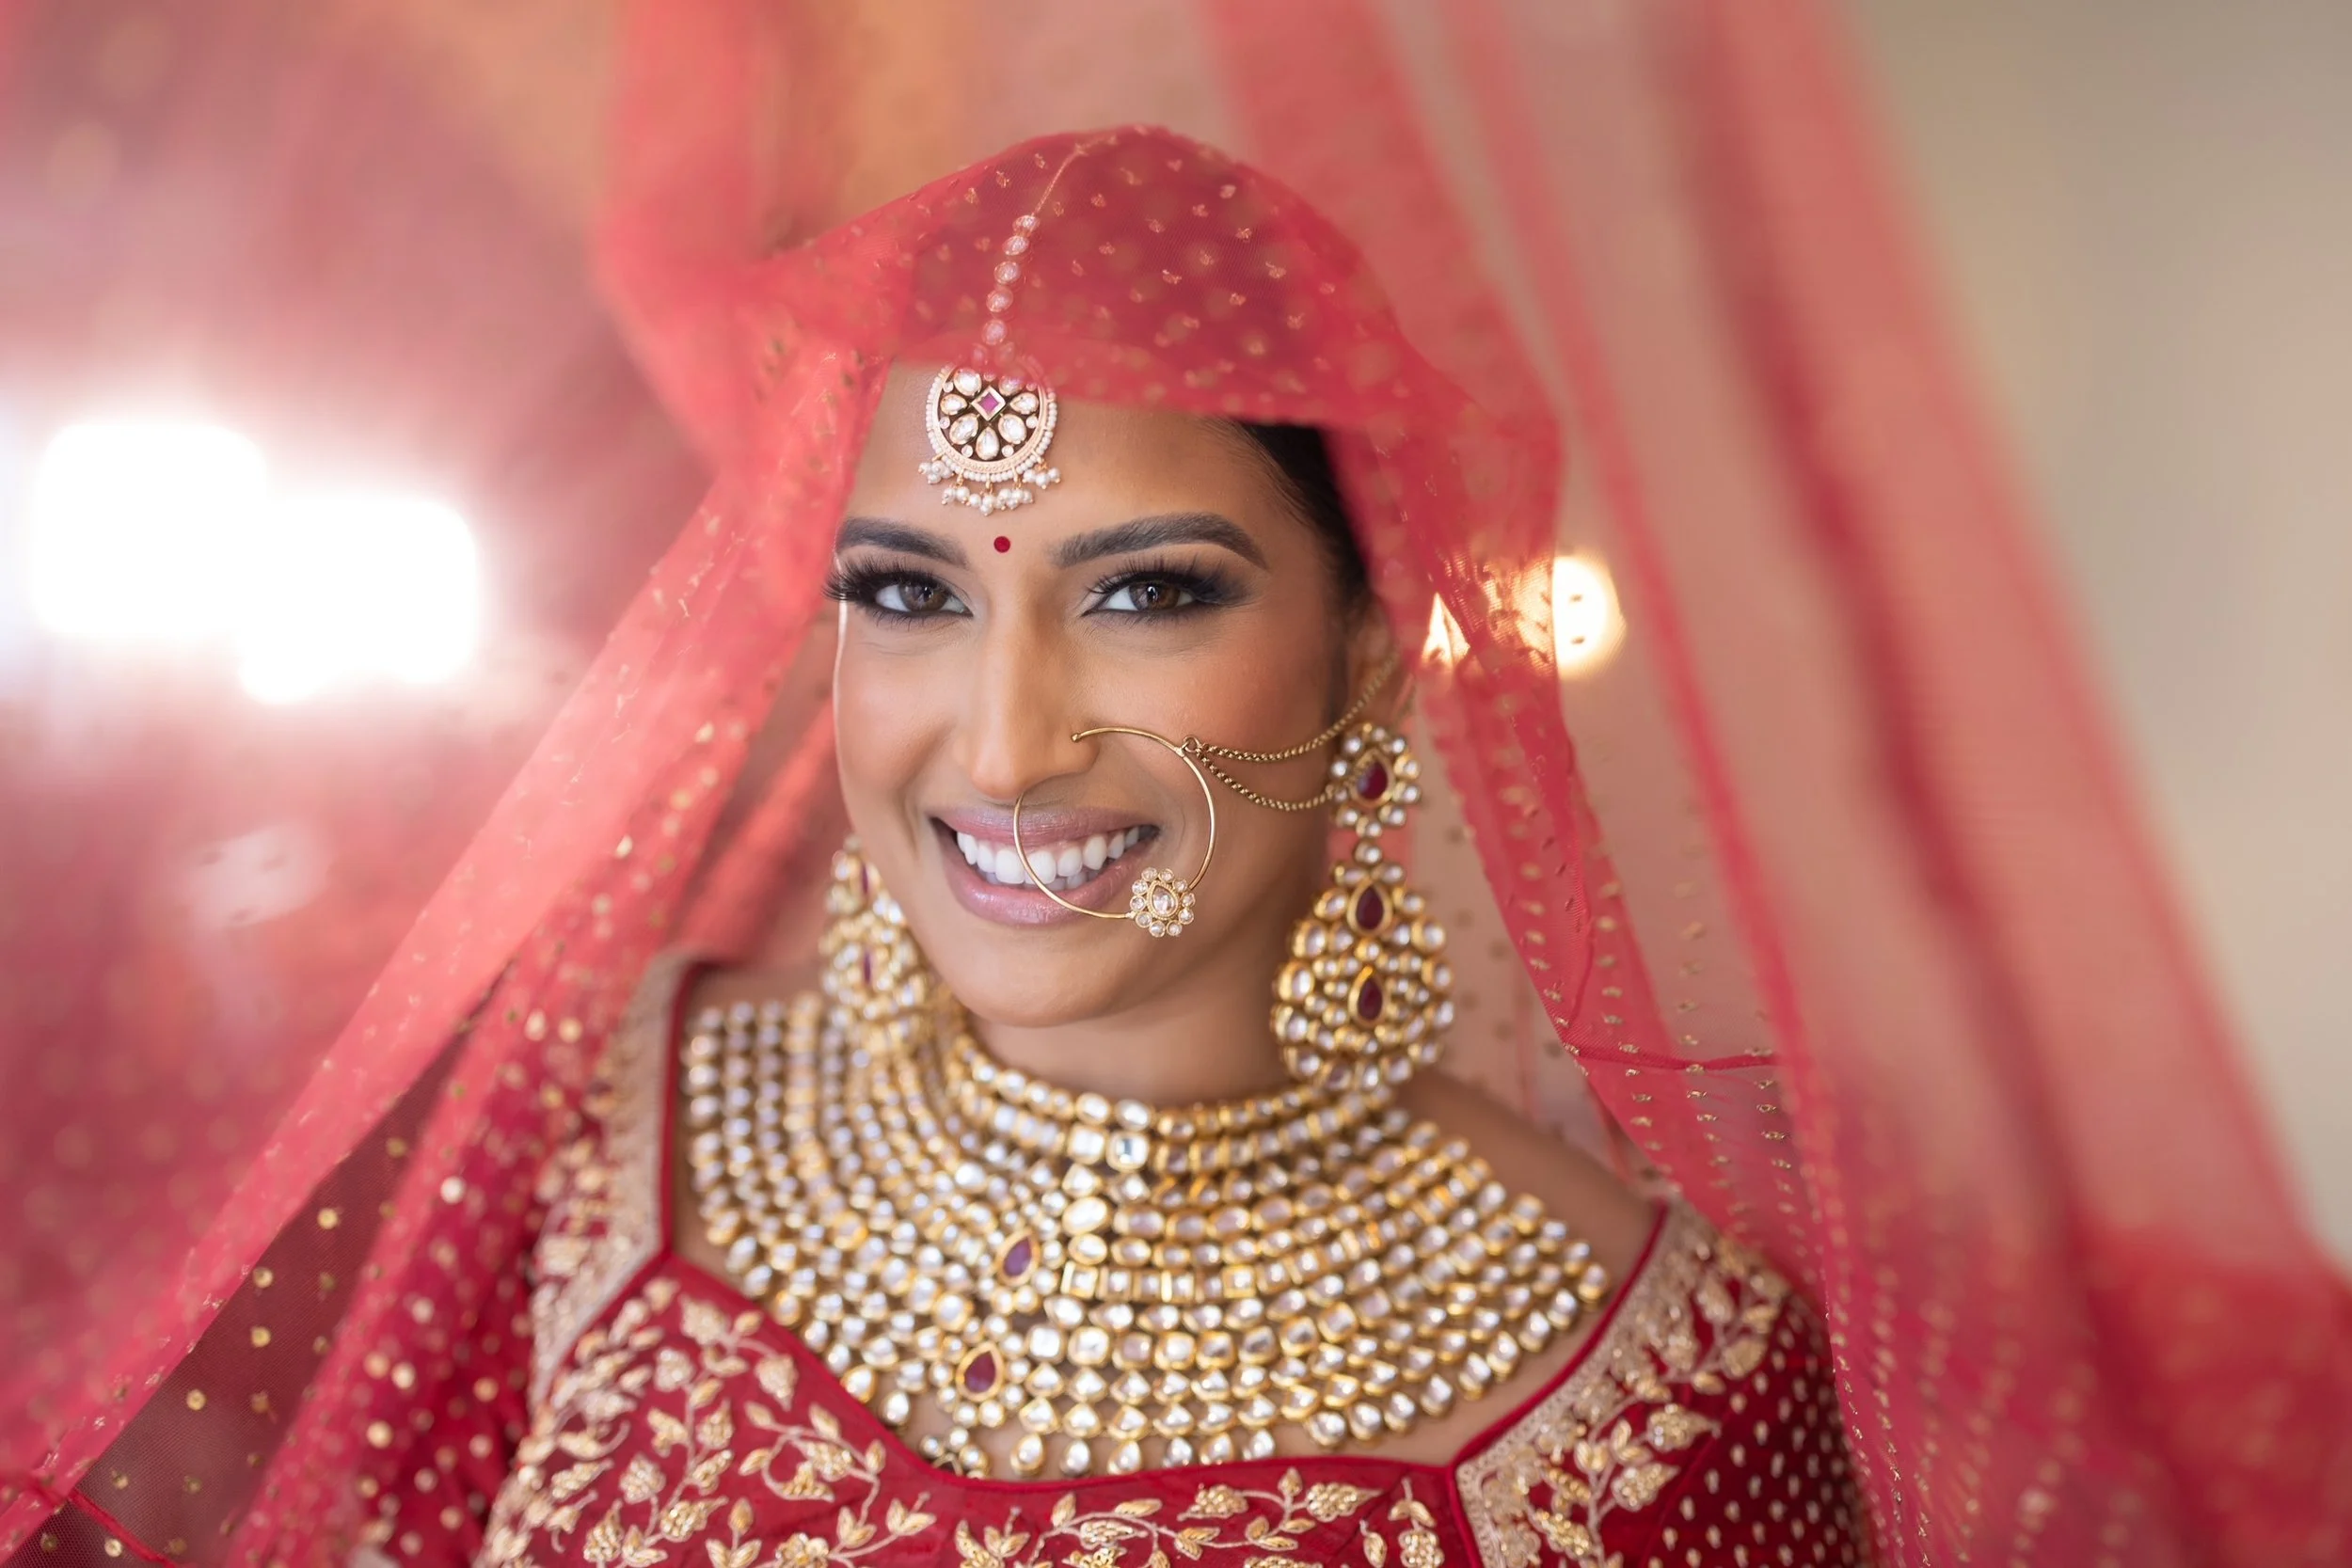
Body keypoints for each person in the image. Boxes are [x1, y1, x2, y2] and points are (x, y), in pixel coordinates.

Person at [263, 129, 1866, 1567]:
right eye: (907, 592)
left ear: (1369, 643)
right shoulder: (615, 1121)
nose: (1006, 745)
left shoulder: (1655, 1385)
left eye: (1147, 593)